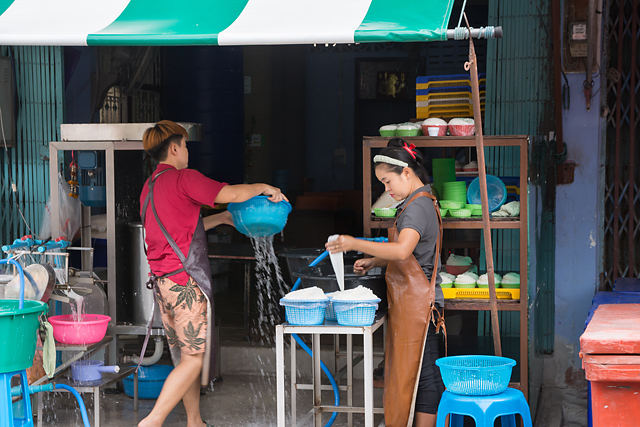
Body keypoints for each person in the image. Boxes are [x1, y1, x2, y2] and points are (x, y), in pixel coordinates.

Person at [138, 120, 287, 427]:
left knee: (186, 358)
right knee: (194, 360)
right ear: (174, 148)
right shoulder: (183, 178)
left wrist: (221, 219)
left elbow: (181, 230)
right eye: (185, 145)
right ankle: (152, 421)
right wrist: (264, 187)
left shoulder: (149, 188)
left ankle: (195, 421)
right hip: (185, 284)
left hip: (163, 284)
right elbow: (231, 193)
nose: (188, 152)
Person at [326, 138, 444, 427]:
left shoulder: (417, 208)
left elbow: (403, 250)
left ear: (406, 172)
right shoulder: (419, 201)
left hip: (420, 309)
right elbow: (413, 254)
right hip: (412, 305)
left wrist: (354, 243)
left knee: (426, 379)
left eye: (388, 181)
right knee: (414, 376)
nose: (386, 189)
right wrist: (376, 261)